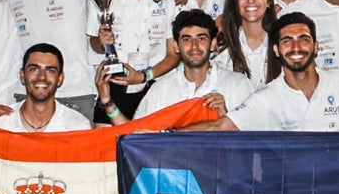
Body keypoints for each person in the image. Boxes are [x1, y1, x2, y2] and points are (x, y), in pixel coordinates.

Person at [180, 12, 339, 132]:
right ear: (276, 50)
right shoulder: (266, 98)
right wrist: (165, 133)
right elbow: (218, 126)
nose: (296, 47)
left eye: (304, 39)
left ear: (316, 46)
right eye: (287, 41)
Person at [90, 0, 181, 119]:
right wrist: (102, 40)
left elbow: (174, 56)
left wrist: (143, 76)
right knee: (108, 149)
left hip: (155, 89)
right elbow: (95, 44)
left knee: (149, 148)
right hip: (112, 87)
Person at [102, 9, 255, 121]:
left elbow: (255, 139)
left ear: (213, 43)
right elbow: (135, 137)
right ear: (176, 46)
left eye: (201, 38)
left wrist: (227, 118)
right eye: (187, 39)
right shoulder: (161, 90)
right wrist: (108, 102)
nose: (194, 46)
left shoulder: (237, 85)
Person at [216, 0, 280, 85]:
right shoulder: (221, 45)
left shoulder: (282, 43)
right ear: (235, 1)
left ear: (269, 1)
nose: (251, 0)